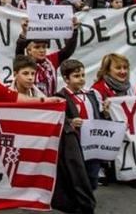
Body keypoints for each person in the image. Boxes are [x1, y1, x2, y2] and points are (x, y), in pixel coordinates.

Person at [51, 59, 98, 214]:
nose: (82, 79)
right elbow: (57, 119)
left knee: (91, 176)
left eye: (83, 75)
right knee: (77, 176)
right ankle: (81, 205)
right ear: (66, 79)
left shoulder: (91, 95)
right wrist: (70, 121)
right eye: (77, 76)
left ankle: (88, 198)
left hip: (92, 144)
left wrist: (104, 110)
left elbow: (97, 116)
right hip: (74, 145)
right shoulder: (60, 97)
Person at [14, 18, 79, 96]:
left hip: (49, 105)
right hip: (30, 104)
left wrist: (74, 30)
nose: (42, 50)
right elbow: (19, 51)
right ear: (29, 51)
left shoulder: (51, 60)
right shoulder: (24, 63)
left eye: (44, 47)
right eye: (37, 47)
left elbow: (68, 50)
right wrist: (24, 32)